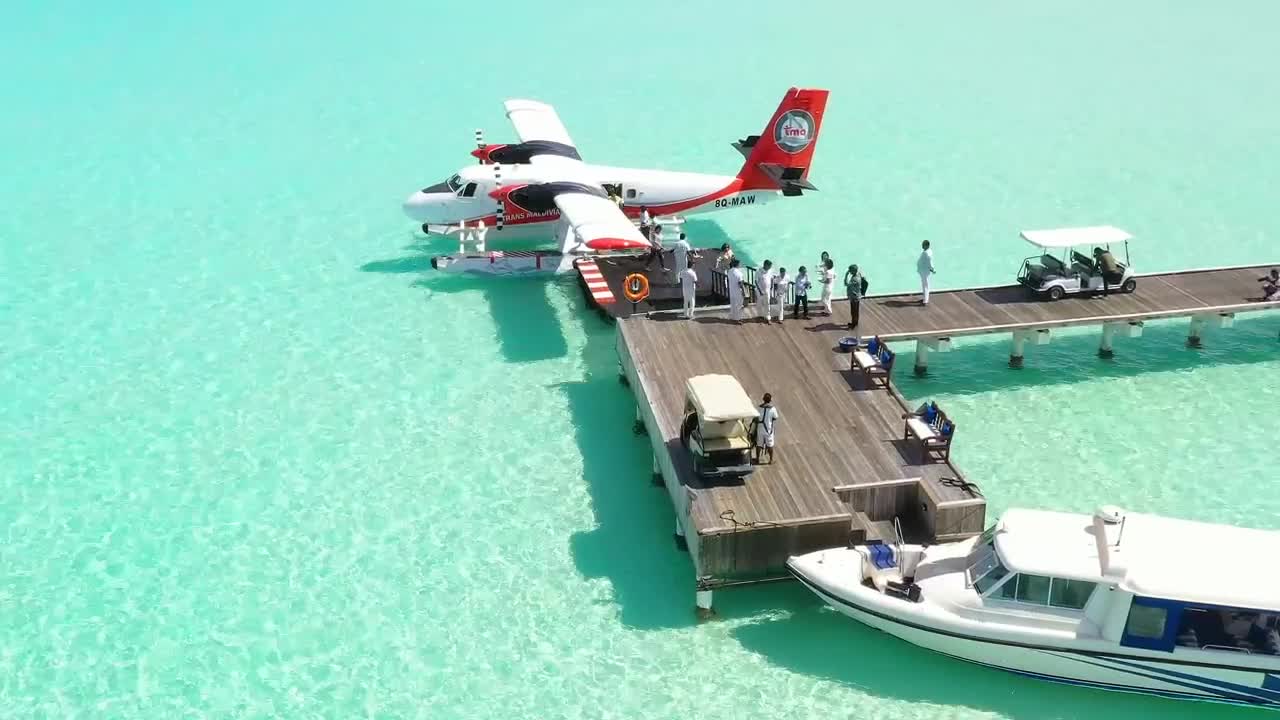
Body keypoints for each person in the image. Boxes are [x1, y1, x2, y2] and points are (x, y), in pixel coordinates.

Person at [752, 393, 779, 464]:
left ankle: (757, 459)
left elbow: (756, 416)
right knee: (770, 444)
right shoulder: (772, 409)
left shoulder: (759, 407)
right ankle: (771, 460)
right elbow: (775, 417)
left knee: (759, 444)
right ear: (770, 400)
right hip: (768, 430)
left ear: (763, 399)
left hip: (760, 429)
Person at [844, 264, 867, 329]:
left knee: (854, 311)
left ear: (853, 271)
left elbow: (846, 283)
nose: (849, 272)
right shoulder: (858, 274)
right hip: (857, 295)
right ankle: (855, 323)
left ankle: (853, 324)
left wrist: (846, 275)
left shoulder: (855, 279)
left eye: (850, 271)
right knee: (855, 311)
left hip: (854, 297)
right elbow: (864, 278)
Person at [917, 240, 936, 305]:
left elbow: (929, 262)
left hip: (924, 271)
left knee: (925, 285)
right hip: (924, 271)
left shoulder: (926, 253)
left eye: (923, 244)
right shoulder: (928, 251)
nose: (922, 245)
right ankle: (925, 298)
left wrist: (932, 269)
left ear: (926, 246)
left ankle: (925, 300)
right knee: (925, 285)